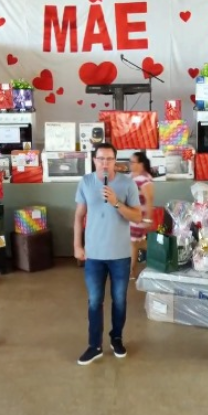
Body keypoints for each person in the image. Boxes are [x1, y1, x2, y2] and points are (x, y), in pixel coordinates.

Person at [73, 143, 142, 366]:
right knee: (94, 301)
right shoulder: (86, 182)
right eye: (101, 158)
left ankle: (116, 338)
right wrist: (77, 245)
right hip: (94, 254)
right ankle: (94, 345)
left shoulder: (127, 183)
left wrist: (116, 202)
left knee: (119, 300)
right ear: (94, 160)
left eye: (109, 159)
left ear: (115, 161)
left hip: (120, 254)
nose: (105, 163)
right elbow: (79, 216)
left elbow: (137, 217)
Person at [128, 151, 155, 279]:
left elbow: (149, 199)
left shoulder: (144, 179)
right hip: (130, 215)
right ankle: (160, 252)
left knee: (133, 243)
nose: (130, 164)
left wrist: (148, 219)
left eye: (133, 162)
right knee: (137, 242)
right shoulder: (133, 176)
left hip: (139, 217)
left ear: (141, 164)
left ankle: (131, 272)